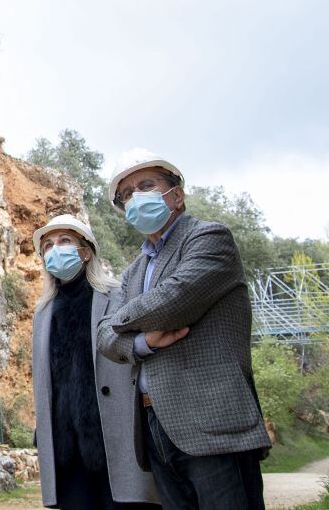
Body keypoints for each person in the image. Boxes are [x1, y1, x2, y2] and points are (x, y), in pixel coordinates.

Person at [96, 149, 270, 510]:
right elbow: (104, 340)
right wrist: (143, 342)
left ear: (176, 194)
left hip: (212, 423)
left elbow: (174, 299)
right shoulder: (131, 272)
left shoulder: (209, 239)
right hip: (153, 425)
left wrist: (117, 321)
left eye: (146, 185)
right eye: (126, 194)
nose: (135, 197)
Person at [31, 214, 159, 510]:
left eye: (65, 241)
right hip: (67, 445)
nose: (55, 249)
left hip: (114, 435)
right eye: (48, 245)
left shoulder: (116, 296)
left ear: (86, 251)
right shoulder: (44, 313)